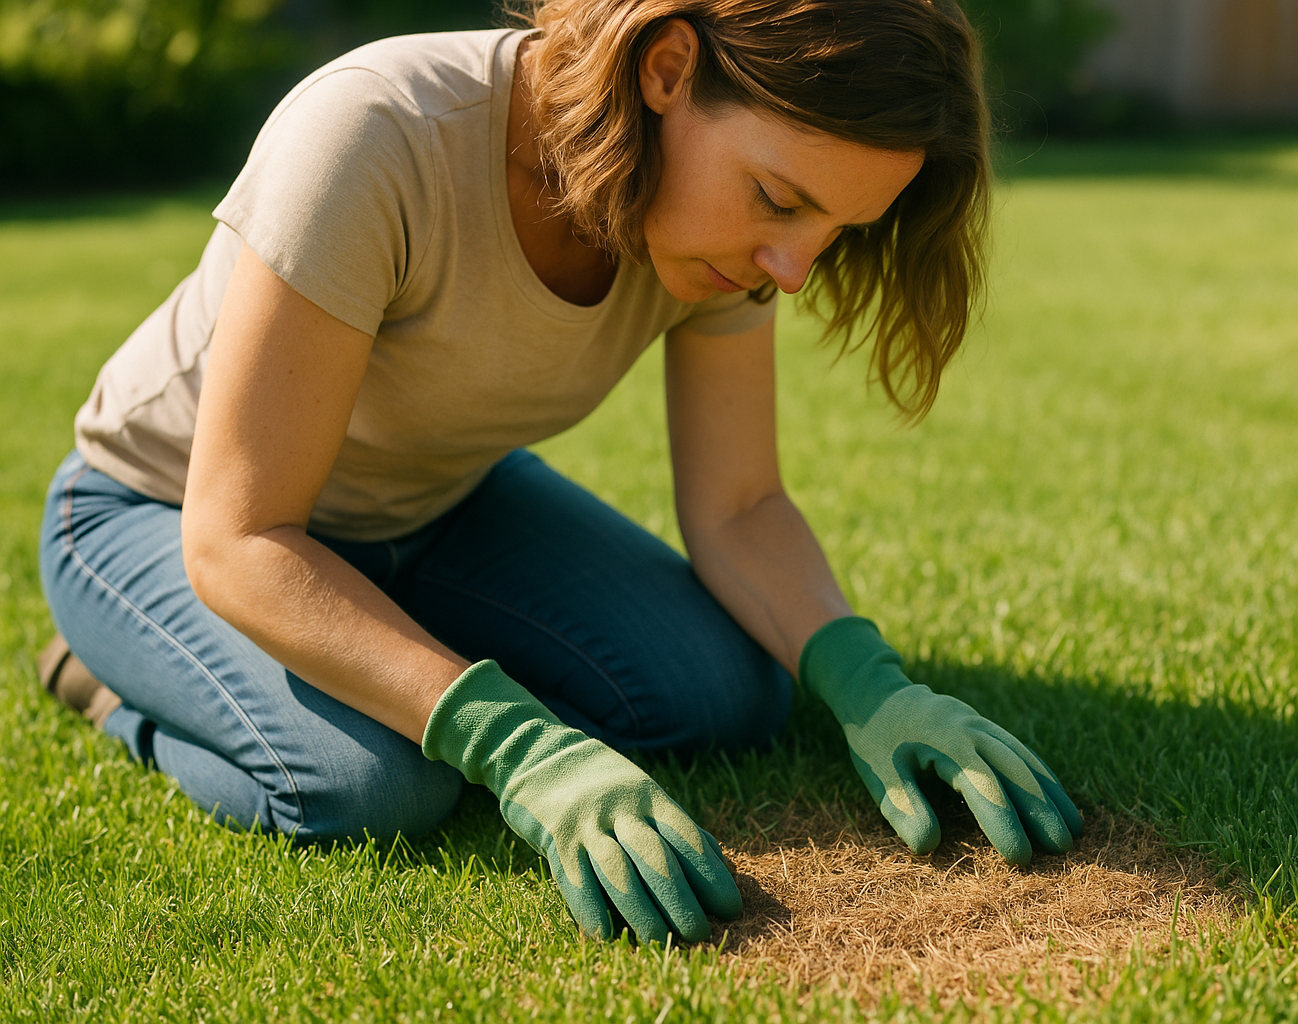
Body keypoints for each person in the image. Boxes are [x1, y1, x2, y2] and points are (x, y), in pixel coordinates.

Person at [36, 0, 1083, 944]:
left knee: (728, 691)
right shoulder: (371, 132)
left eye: (833, 230)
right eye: (777, 197)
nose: (793, 268)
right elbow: (240, 533)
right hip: (160, 515)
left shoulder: (721, 238)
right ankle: (105, 680)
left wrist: (871, 683)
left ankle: (390, 633)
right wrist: (518, 744)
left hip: (435, 506)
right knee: (374, 785)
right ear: (668, 70)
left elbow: (740, 504)